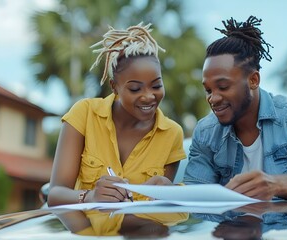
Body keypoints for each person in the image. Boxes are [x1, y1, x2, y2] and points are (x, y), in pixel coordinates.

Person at [183, 16, 287, 200]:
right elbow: (195, 195)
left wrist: (275, 184)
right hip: (230, 228)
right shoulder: (205, 132)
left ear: (253, 80)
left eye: (223, 87)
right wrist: (168, 190)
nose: (213, 98)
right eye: (208, 90)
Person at [47, 22, 186, 206]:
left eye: (156, 86)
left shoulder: (172, 134)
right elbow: (55, 195)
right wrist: (90, 196)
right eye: (135, 89)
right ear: (114, 87)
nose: (148, 96)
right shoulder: (84, 114)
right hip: (88, 232)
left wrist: (168, 193)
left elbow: (158, 211)